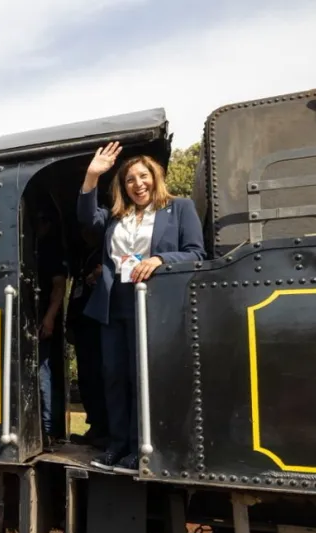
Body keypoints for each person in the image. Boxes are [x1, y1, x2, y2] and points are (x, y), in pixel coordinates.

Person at [78, 142, 205, 473]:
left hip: (151, 303)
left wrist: (160, 259)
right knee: (114, 377)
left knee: (141, 377)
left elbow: (196, 253)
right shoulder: (115, 217)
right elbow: (86, 220)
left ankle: (140, 448)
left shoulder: (179, 208)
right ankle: (117, 446)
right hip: (114, 303)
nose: (137, 184)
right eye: (130, 179)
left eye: (143, 176)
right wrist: (93, 176)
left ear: (155, 177)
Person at [66, 226, 108, 448]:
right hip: (83, 323)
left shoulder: (105, 251)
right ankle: (96, 426)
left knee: (99, 375)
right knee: (87, 377)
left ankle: (104, 429)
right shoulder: (83, 255)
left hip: (97, 323)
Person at [36, 211, 68, 444]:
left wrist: (49, 318)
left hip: (43, 316)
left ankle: (48, 428)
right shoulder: (37, 247)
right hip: (37, 315)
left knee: (43, 370)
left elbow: (59, 286)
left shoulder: (50, 249)